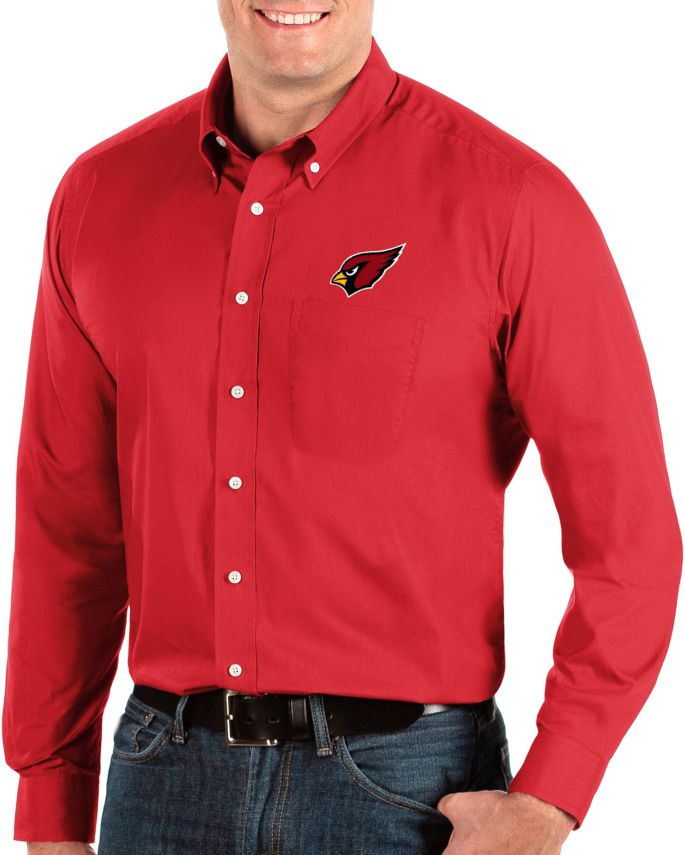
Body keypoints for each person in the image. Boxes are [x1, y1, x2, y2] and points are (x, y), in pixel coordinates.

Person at [3, 1, 682, 853]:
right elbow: (67, 522)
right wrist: (51, 800)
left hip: (408, 790)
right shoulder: (100, 197)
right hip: (162, 780)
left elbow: (629, 536)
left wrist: (550, 795)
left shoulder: (511, 202)